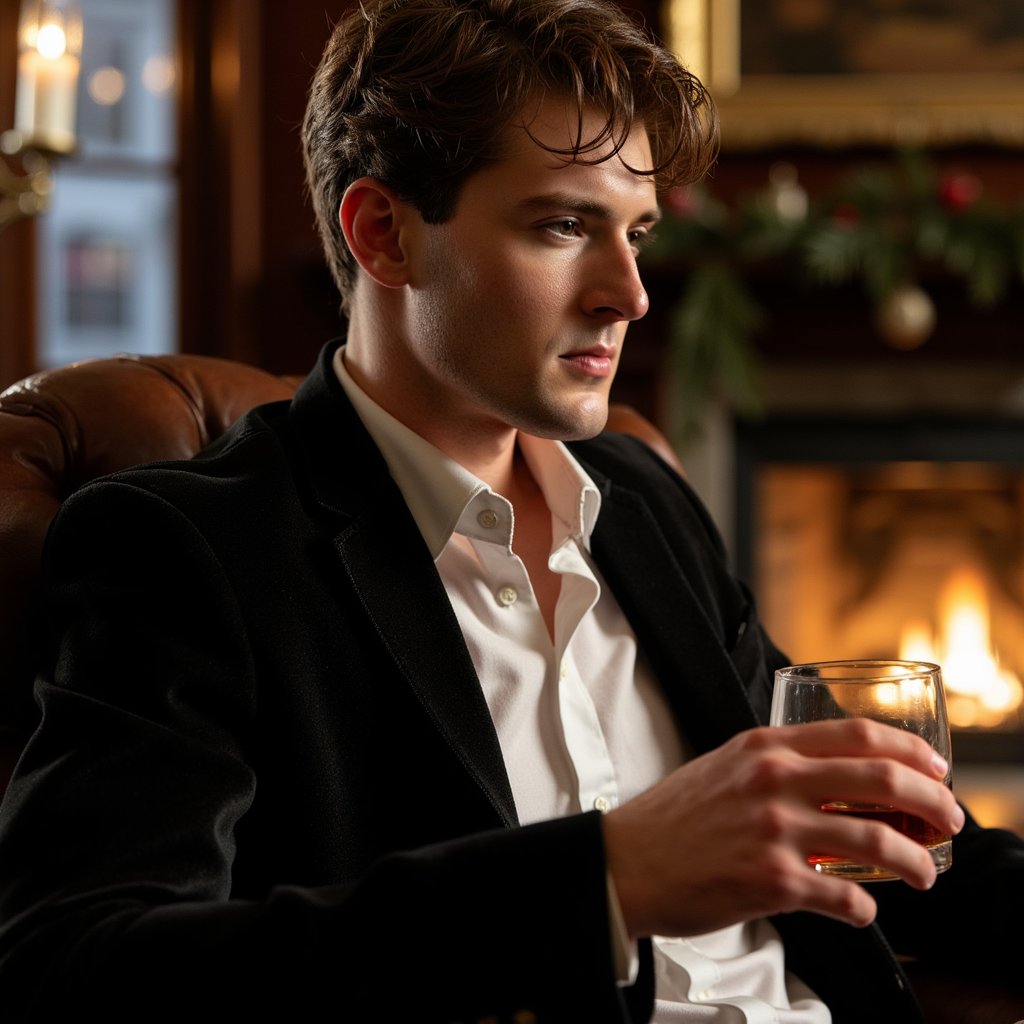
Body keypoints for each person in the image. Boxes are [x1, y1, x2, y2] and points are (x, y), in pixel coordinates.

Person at [0, 0, 1021, 1021]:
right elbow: (79, 970)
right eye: (563, 225)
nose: (629, 293)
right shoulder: (187, 549)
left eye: (638, 233)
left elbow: (888, 832)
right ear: (383, 233)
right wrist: (607, 879)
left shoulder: (642, 499)